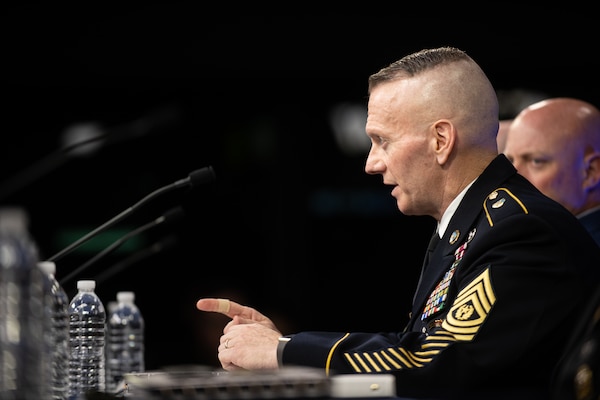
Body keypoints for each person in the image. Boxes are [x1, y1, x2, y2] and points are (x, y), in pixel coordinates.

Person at [196, 47, 600, 399]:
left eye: (382, 140)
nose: (371, 163)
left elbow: (431, 364)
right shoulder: (473, 223)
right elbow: (417, 350)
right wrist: (280, 347)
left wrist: (281, 350)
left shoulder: (519, 229)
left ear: (441, 141)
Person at [503, 97, 600, 245]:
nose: (512, 175)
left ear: (590, 171)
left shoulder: (577, 257)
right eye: (510, 161)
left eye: (536, 161)